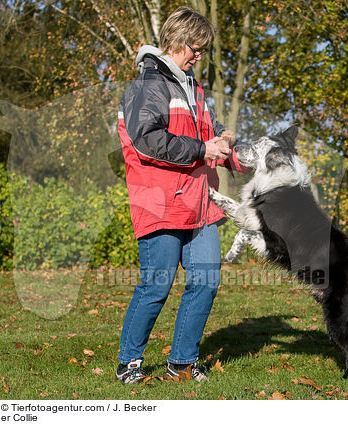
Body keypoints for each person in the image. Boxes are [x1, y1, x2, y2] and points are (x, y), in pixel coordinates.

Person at [116, 6, 247, 383]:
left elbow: (211, 129)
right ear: (175, 41)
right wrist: (201, 150)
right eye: (195, 46)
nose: (199, 55)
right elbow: (146, 141)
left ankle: (183, 363)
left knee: (205, 280)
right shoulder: (149, 85)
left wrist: (229, 143)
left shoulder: (193, 87)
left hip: (201, 201)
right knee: (156, 285)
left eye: (203, 48)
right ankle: (130, 363)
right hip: (160, 200)